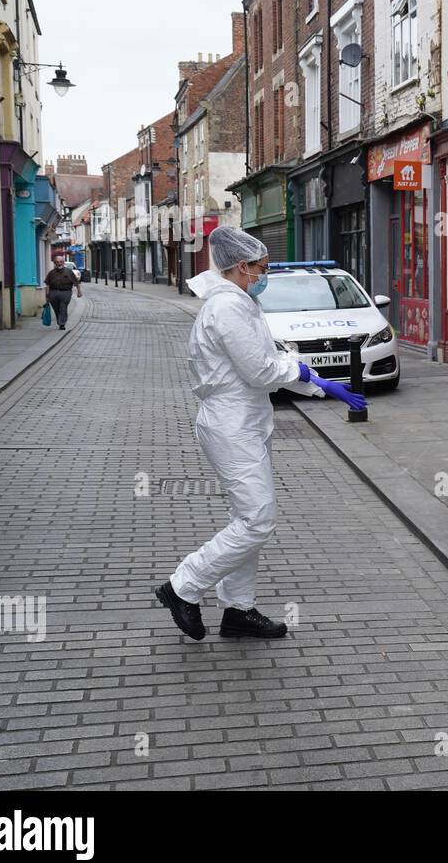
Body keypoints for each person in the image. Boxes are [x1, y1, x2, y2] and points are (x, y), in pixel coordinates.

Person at [155, 226, 366, 640]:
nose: (265, 276)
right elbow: (261, 370)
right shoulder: (228, 309)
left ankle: (238, 610)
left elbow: (266, 358)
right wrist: (308, 375)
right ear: (241, 266)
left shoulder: (240, 303)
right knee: (257, 521)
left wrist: (318, 382)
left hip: (246, 420)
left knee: (247, 517)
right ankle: (183, 586)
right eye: (262, 269)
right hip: (231, 423)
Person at [44, 256, 82, 330]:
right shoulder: (51, 273)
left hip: (66, 292)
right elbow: (47, 284)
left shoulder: (69, 271)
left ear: (63, 262)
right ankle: (60, 320)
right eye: (57, 262)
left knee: (63, 307)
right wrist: (47, 294)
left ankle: (62, 324)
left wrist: (79, 292)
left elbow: (76, 283)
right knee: (56, 308)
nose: (59, 263)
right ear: (55, 263)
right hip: (53, 292)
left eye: (61, 262)